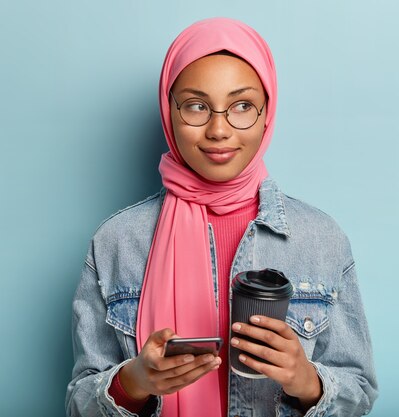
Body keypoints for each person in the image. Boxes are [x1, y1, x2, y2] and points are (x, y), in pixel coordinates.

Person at [66, 17, 378, 417]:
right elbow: (79, 404)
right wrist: (135, 382)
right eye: (196, 106)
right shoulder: (116, 242)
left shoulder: (321, 239)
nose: (218, 129)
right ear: (169, 112)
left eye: (242, 106)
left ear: (268, 113)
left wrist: (306, 381)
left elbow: (360, 393)